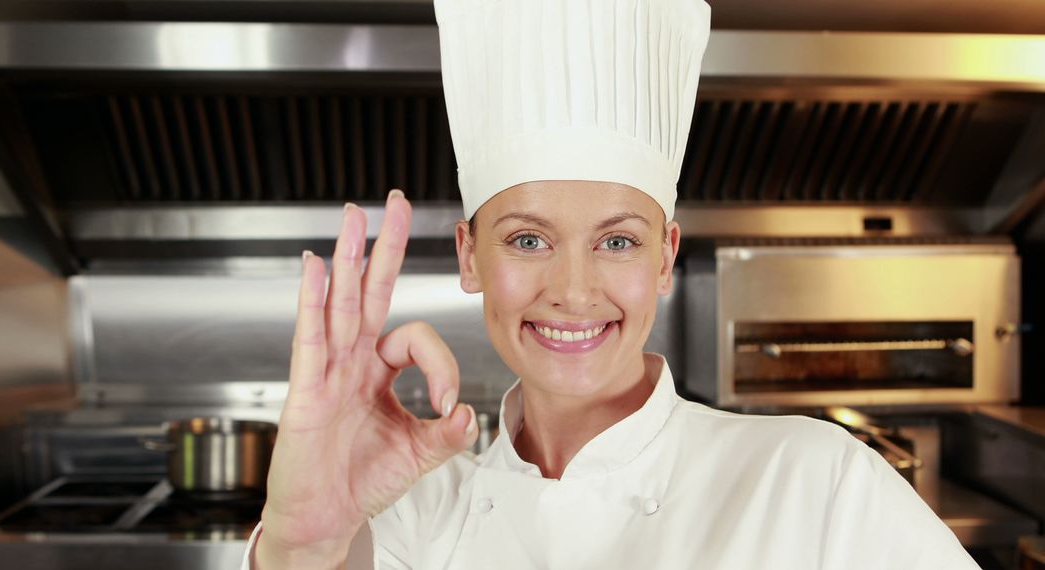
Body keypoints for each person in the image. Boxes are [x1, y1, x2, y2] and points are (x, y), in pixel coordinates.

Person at [242, 0, 980, 568]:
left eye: (618, 241)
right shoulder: (404, 517)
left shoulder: (816, 483)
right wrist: (299, 548)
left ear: (665, 259)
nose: (573, 289)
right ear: (470, 256)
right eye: (528, 239)